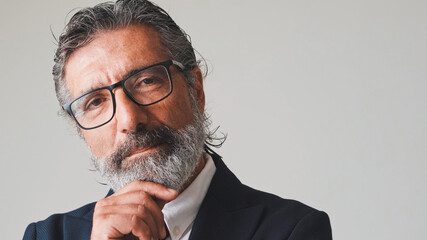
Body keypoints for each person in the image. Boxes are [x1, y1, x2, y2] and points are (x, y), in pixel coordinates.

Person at [23, 0, 332, 239]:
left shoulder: (293, 230)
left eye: (146, 81)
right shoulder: (46, 236)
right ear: (81, 131)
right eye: (96, 102)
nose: (129, 119)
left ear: (195, 88)